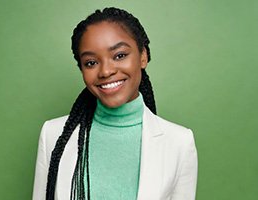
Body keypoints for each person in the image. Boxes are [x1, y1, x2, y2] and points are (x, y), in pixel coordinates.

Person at [33, 7, 198, 200]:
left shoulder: (179, 142)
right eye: (91, 62)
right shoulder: (52, 135)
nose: (105, 71)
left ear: (143, 56)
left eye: (119, 55)